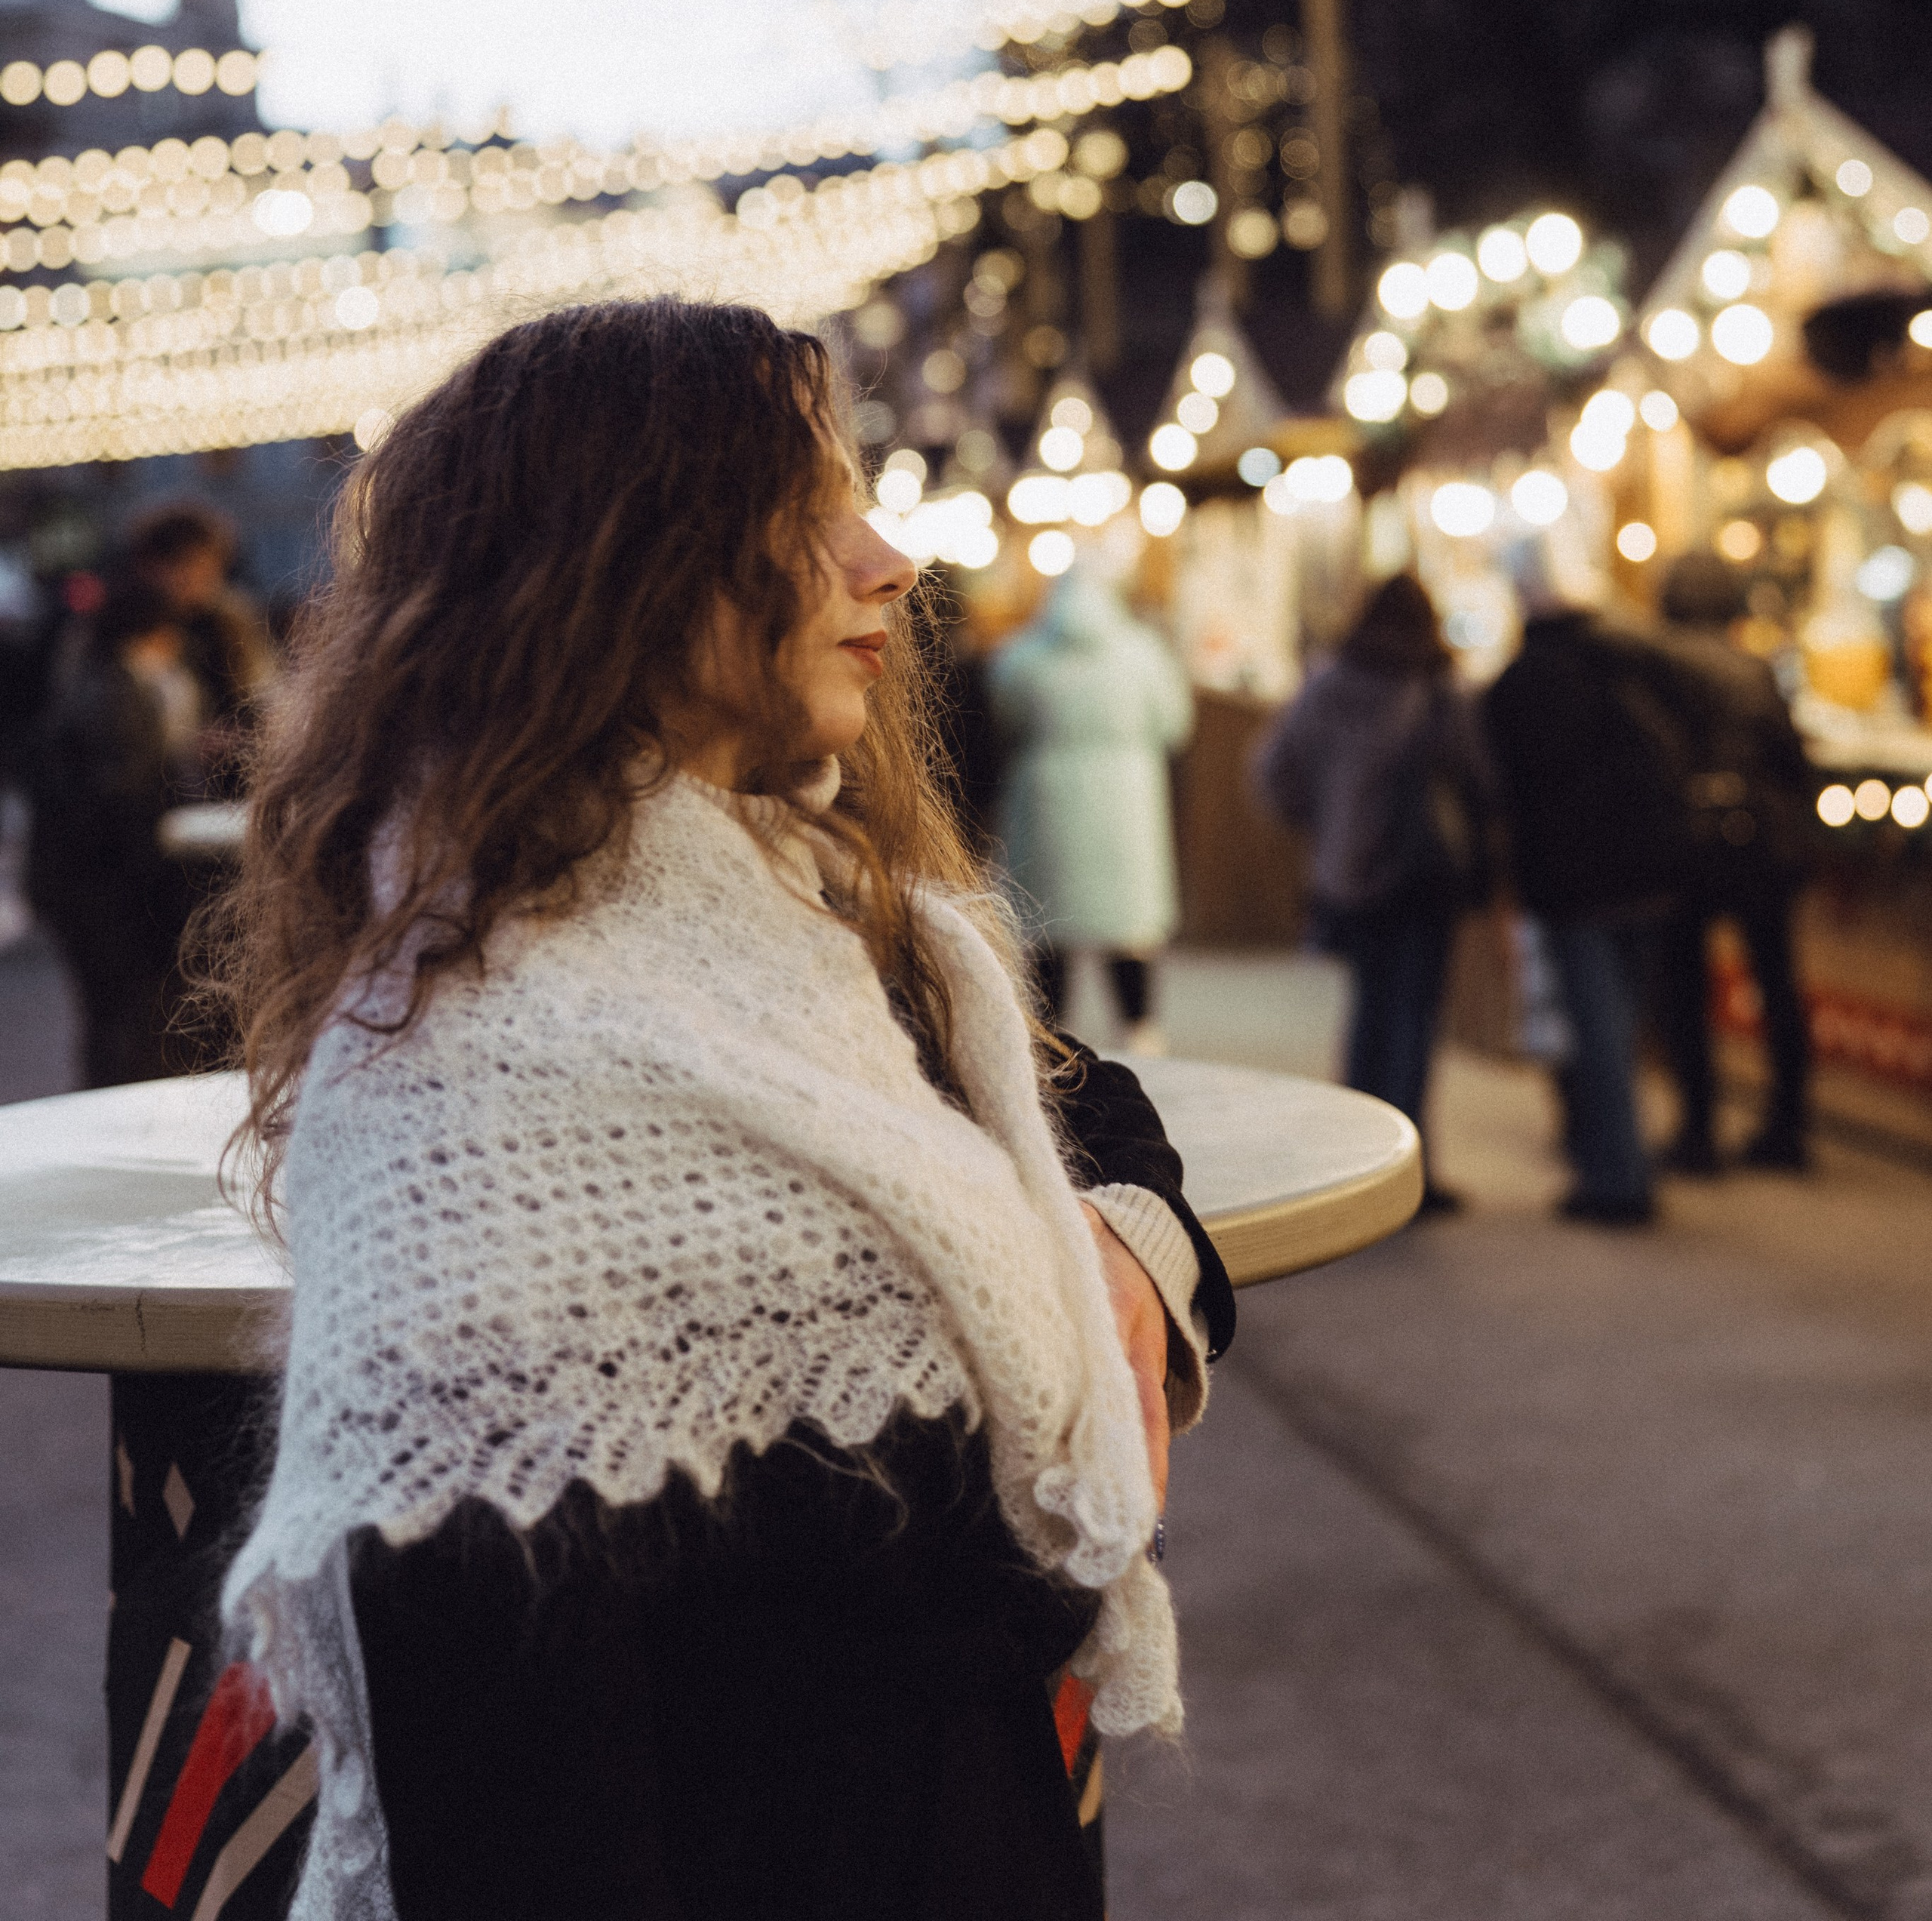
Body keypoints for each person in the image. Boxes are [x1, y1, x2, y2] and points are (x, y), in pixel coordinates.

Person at [214, 299, 1233, 1921]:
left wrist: (1116, 1241)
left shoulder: (826, 919)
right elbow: (519, 1807)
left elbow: (1083, 1111)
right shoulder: (467, 1103)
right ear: (617, 567)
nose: (887, 559)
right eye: (803, 513)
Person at [1251, 573, 1500, 1211]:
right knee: (1413, 1019)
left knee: (1365, 1018)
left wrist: (1324, 823)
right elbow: (1478, 782)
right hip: (1420, 876)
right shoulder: (1440, 691)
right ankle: (1408, 1171)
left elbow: (1272, 772)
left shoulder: (1328, 684)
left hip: (1346, 876)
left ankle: (1356, 1164)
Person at [1483, 535, 1701, 1226]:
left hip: (1577, 884)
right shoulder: (1630, 662)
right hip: (1649, 869)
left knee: (1599, 1030)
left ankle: (1617, 1177)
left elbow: (1507, 793)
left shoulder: (1516, 686)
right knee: (1629, 1024)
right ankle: (1624, 1160)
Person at [1651, 550, 1815, 1171]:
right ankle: (1788, 1126)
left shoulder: (1657, 666)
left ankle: (1698, 1132)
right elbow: (1792, 760)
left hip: (1686, 848)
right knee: (1777, 985)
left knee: (1686, 993)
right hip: (1762, 847)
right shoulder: (1756, 670)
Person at [986, 568, 1194, 1051]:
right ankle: (1140, 1028)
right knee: (1130, 925)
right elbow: (1175, 721)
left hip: (1047, 799)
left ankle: (1050, 1041)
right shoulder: (1143, 654)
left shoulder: (1023, 657)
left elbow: (1005, 718)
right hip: (1128, 800)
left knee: (1049, 925)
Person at [26, 579, 203, 1085]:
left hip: (81, 879)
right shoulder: (122, 688)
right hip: (100, 883)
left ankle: (106, 1107)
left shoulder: (92, 677)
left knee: (109, 1013)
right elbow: (121, 793)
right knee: (120, 1012)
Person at [126, 500, 277, 785]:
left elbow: (262, 696)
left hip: (221, 784)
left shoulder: (229, 622)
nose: (208, 577)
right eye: (192, 564)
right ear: (152, 567)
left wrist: (240, 734)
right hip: (150, 790)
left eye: (212, 565)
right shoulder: (128, 631)